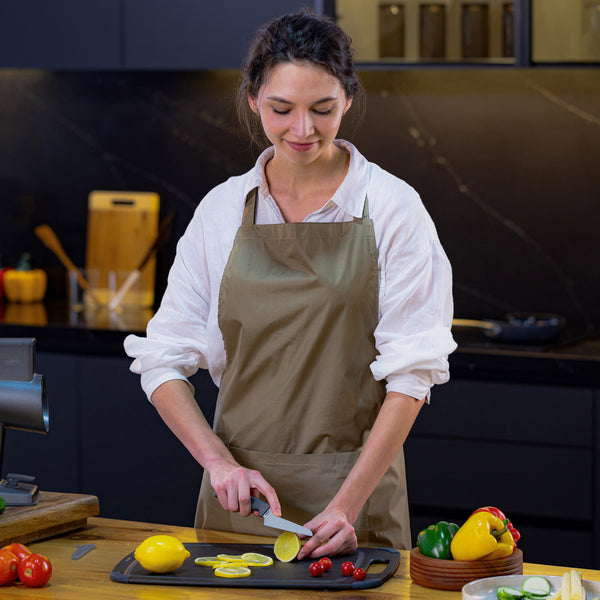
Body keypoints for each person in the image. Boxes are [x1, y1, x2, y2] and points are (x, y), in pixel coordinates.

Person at [124, 9, 456, 559]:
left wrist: (347, 505)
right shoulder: (222, 210)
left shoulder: (395, 208)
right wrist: (218, 462)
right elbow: (160, 361)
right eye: (282, 109)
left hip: (356, 508)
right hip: (240, 504)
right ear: (254, 99)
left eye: (322, 109)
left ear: (348, 99)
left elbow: (412, 376)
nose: (302, 130)